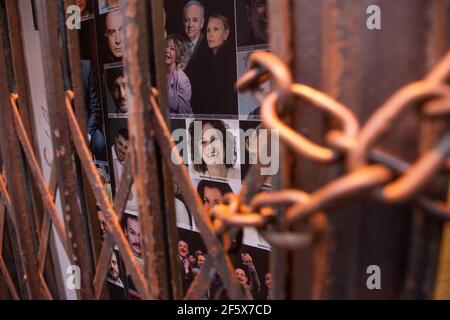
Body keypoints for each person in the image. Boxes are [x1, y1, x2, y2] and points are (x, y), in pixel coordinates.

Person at [190, 14, 238, 115]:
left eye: (216, 29)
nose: (210, 35)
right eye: (208, 30)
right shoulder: (202, 63)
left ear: (226, 34)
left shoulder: (232, 63)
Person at [81, 60, 106, 161]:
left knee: (100, 143)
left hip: (87, 124)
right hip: (68, 128)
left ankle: (102, 172)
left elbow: (95, 107)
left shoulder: (86, 67)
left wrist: (88, 134)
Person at [165, 34, 193, 115]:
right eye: (166, 46)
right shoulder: (157, 75)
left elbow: (184, 114)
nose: (167, 50)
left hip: (179, 125)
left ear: (178, 56)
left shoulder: (183, 80)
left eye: (172, 49)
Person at [111, 128, 136, 211]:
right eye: (120, 144)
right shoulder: (108, 157)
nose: (122, 150)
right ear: (115, 140)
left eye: (126, 147)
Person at [182, 1, 206, 70]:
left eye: (195, 20)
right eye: (187, 20)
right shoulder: (178, 44)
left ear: (202, 23)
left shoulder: (207, 46)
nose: (190, 25)